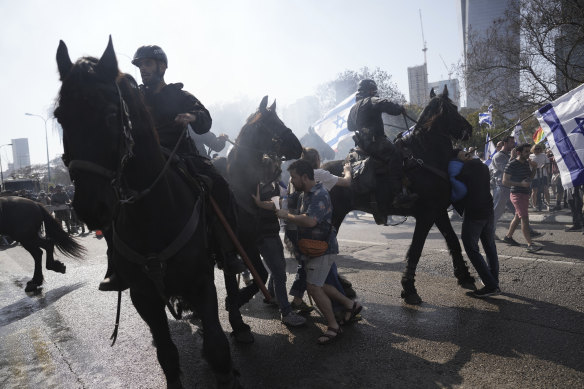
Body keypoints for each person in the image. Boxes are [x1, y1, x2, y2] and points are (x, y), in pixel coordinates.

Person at [276, 160, 362, 345]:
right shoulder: (304, 192)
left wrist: (286, 215)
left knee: (313, 287)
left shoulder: (319, 194)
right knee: (319, 284)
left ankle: (333, 327)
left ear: (305, 177)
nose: (291, 180)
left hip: (322, 248)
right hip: (314, 248)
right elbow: (287, 200)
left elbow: (310, 221)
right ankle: (350, 305)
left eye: (294, 177)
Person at [286, 147, 354, 315]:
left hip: (296, 230)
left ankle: (296, 299)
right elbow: (346, 182)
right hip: (313, 233)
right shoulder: (320, 176)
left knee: (307, 267)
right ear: (317, 160)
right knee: (324, 273)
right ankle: (342, 310)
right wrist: (347, 170)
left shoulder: (295, 177)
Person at [347, 79, 417, 223]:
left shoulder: (354, 108)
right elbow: (385, 104)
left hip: (362, 144)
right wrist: (399, 108)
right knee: (396, 154)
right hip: (375, 142)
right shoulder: (370, 100)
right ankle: (398, 194)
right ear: (370, 91)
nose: (375, 93)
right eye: (373, 91)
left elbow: (349, 126)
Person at [251, 183, 306, 327]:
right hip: (265, 234)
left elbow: (278, 202)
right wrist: (262, 203)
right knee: (279, 273)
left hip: (271, 233)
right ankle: (286, 312)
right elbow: (275, 204)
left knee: (279, 268)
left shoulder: (271, 183)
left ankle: (273, 296)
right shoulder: (259, 183)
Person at [456, 152, 500, 297]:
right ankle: (494, 281)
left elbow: (455, 184)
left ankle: (490, 285)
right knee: (490, 247)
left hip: (475, 213)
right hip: (488, 210)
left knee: (471, 247)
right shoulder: (482, 167)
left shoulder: (464, 169)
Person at [502, 143, 542, 252]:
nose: (529, 153)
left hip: (525, 194)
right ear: (519, 153)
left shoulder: (525, 163)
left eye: (529, 151)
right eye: (526, 151)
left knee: (518, 216)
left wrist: (534, 168)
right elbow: (504, 181)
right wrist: (521, 184)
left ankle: (508, 237)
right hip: (517, 194)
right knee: (524, 217)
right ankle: (530, 244)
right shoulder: (512, 164)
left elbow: (529, 178)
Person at [491, 135, 515, 226]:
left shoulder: (508, 155)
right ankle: (489, 234)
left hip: (510, 187)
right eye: (511, 142)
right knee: (496, 213)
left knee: (519, 212)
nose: (513, 145)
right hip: (501, 188)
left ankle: (529, 231)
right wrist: (512, 157)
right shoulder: (498, 156)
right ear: (505, 143)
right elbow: (506, 169)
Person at [529, 144, 551, 211]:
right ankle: (534, 206)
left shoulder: (543, 155)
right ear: (533, 149)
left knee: (546, 190)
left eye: (539, 148)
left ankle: (548, 204)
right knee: (534, 191)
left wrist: (545, 165)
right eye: (536, 149)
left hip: (543, 175)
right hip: (534, 176)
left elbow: (548, 163)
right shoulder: (530, 156)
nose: (537, 150)